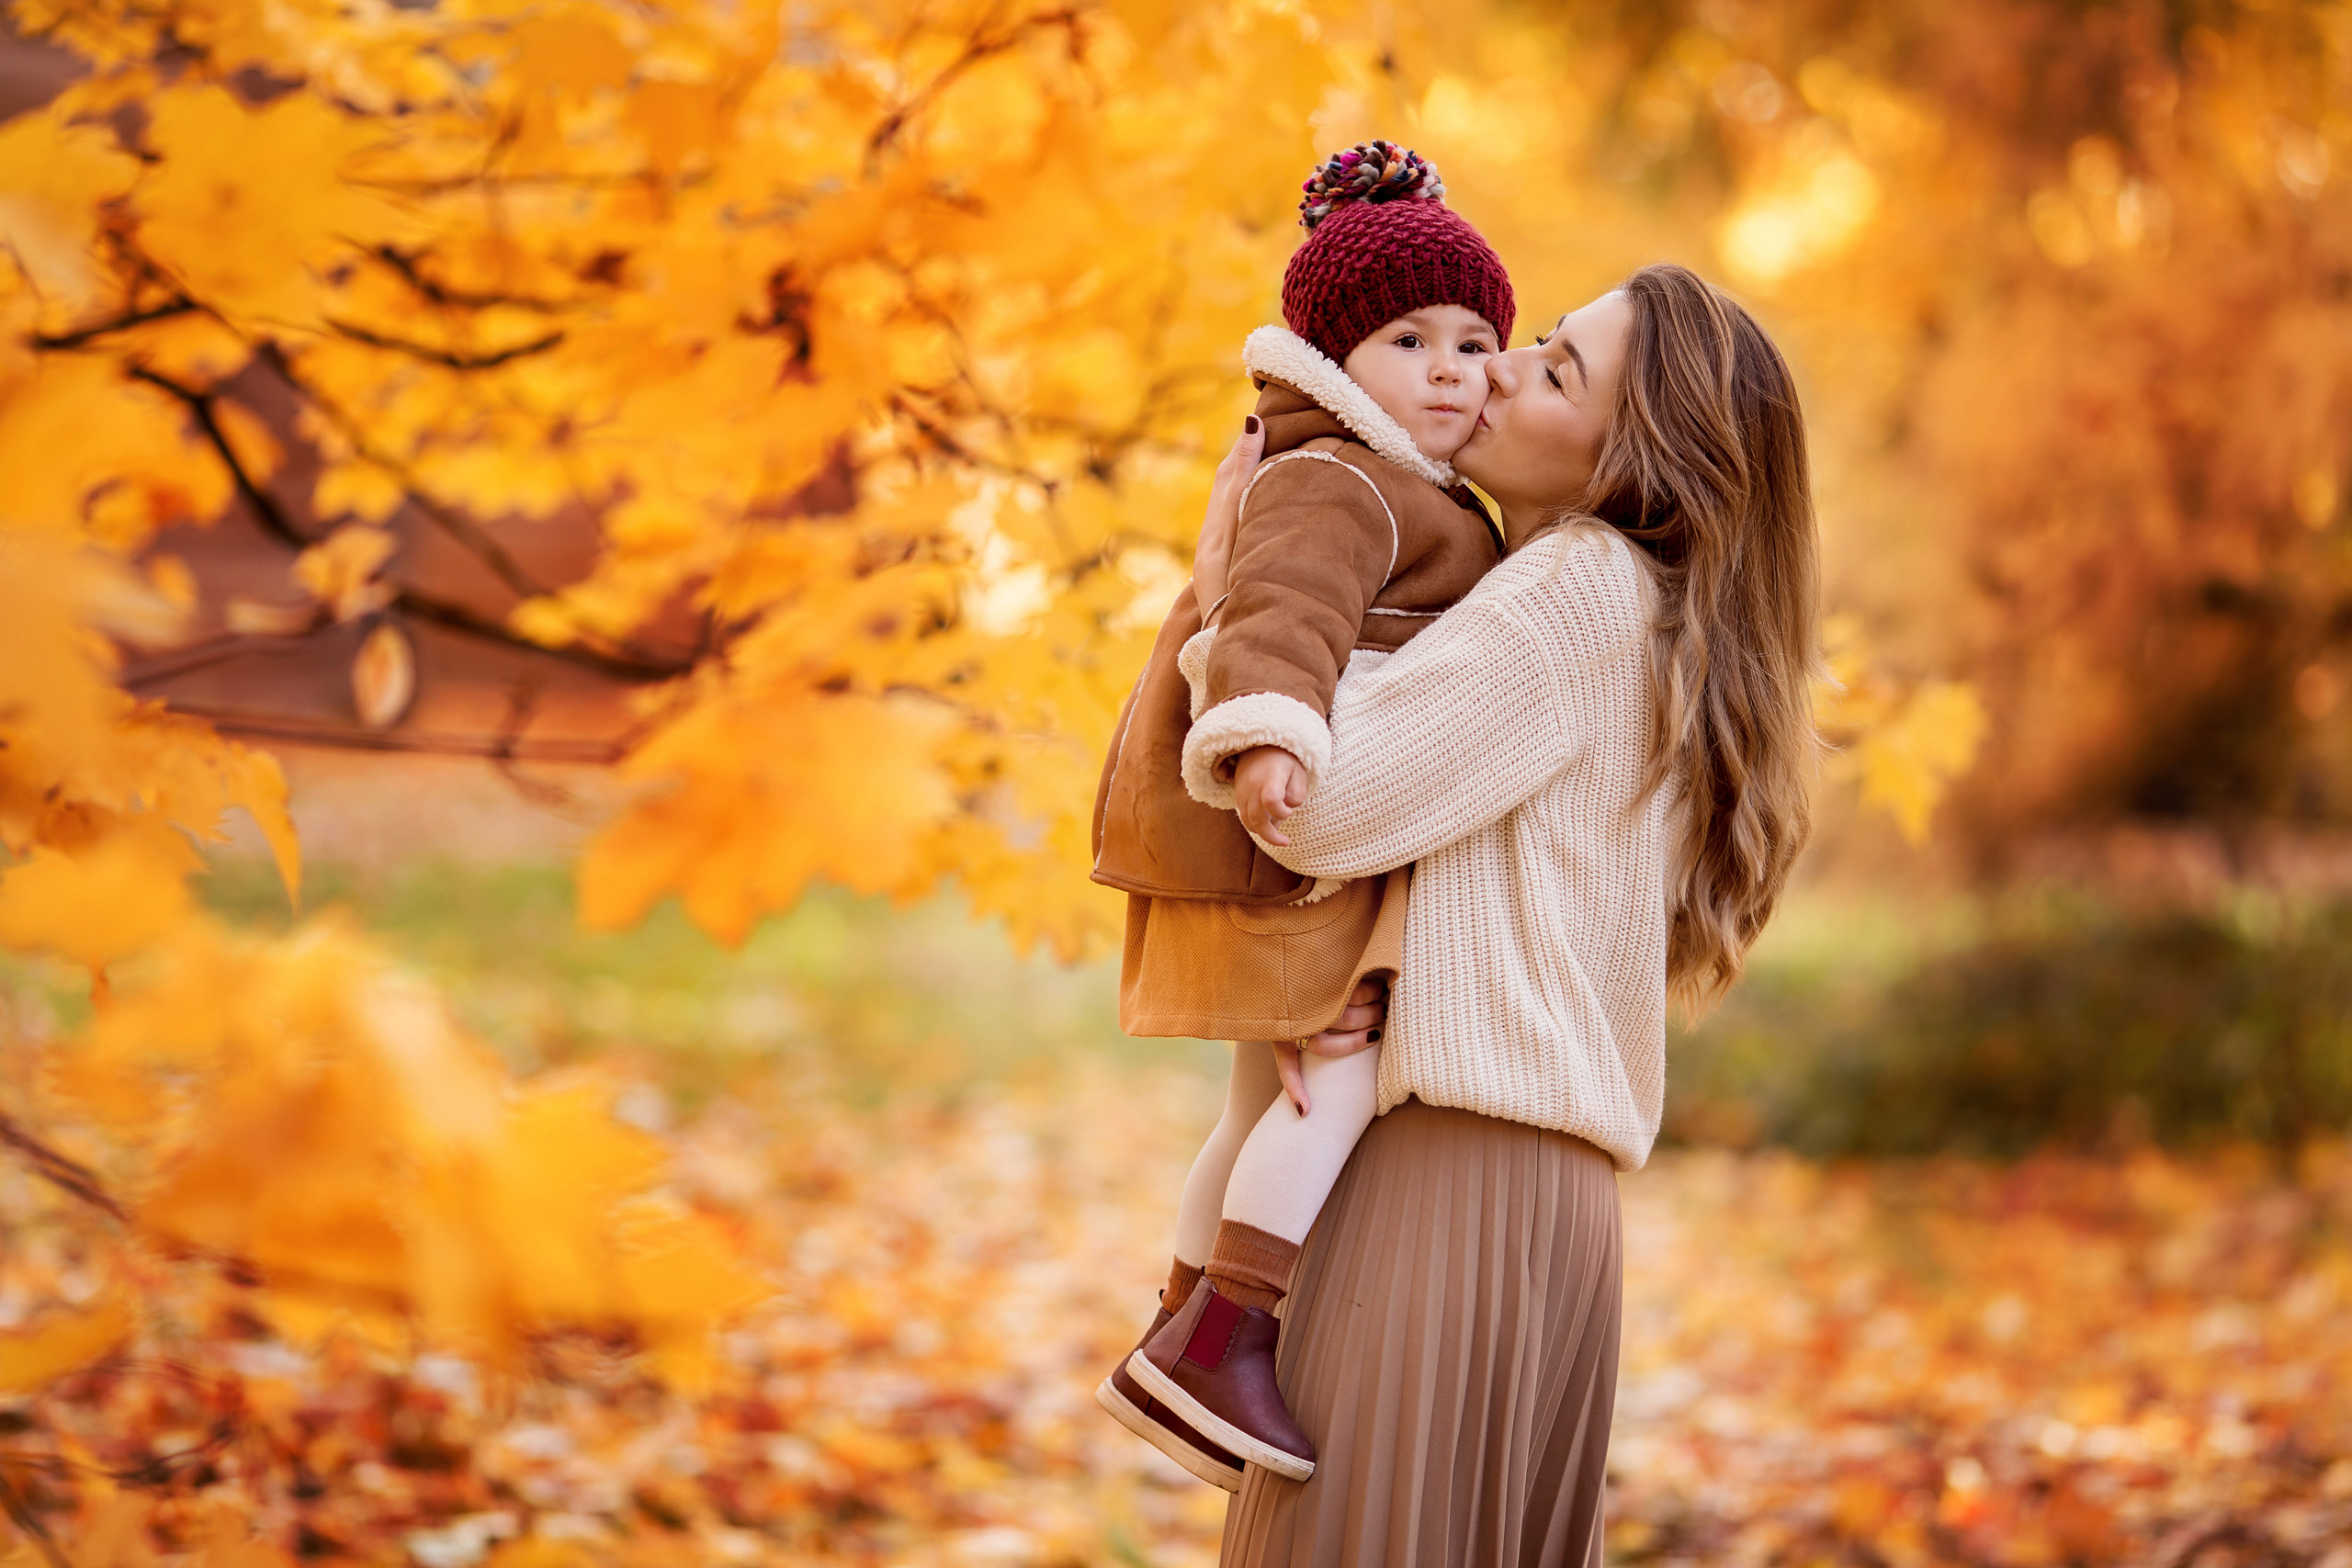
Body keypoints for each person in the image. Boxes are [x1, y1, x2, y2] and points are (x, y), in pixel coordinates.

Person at [1184, 264, 1821, 1566]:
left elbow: (1312, 805)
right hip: (1542, 1213)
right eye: (1538, 340)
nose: (1503, 367)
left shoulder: (1579, 590)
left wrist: (1219, 605)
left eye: (1559, 369)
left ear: (1637, 460)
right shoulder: (1625, 611)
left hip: (1451, 1191)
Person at [1089, 141, 1515, 1489]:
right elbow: (1284, 617)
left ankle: (1176, 1311)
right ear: (1336, 357)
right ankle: (1229, 1331)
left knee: (1246, 1106)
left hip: (1274, 838)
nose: (1452, 370)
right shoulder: (1337, 478)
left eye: (1474, 342)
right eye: (1411, 340)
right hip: (1289, 838)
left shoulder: (1390, 478)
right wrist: (1272, 737)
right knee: (1331, 1075)